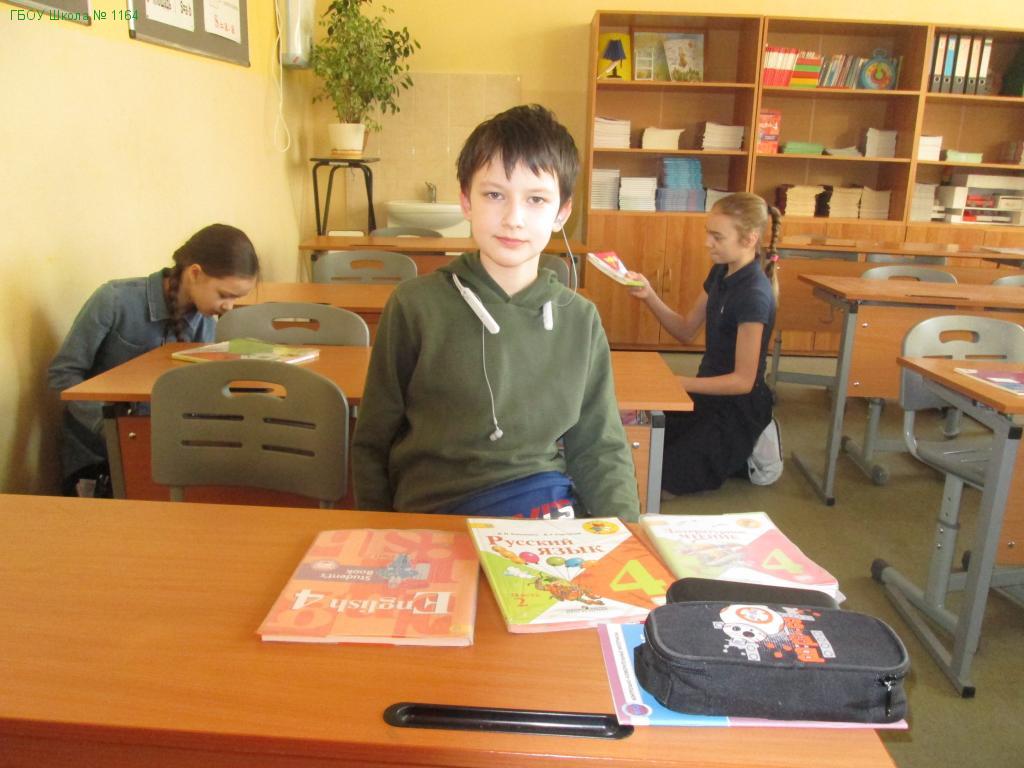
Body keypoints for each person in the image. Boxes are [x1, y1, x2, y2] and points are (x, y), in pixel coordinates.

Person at [352, 104, 639, 521]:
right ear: (465, 201)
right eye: (494, 195)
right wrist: (376, 529)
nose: (513, 219)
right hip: (434, 513)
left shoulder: (580, 319)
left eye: (536, 199)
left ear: (562, 212)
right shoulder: (414, 306)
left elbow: (600, 447)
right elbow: (373, 441)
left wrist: (627, 533)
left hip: (540, 508)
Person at [48, 223, 260, 496]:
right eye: (224, 295)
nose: (228, 307)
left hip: (163, 446)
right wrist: (107, 427)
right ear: (195, 273)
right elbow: (63, 375)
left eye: (236, 299)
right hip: (99, 454)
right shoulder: (114, 300)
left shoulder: (203, 320)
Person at [627, 192, 781, 495]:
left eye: (717, 237)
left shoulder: (754, 295)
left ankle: (752, 449)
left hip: (737, 409)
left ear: (750, 239)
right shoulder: (721, 271)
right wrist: (649, 295)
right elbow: (686, 330)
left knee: (655, 477)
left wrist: (679, 382)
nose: (707, 243)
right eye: (708, 233)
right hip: (706, 394)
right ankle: (730, 454)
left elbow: (743, 381)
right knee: (640, 443)